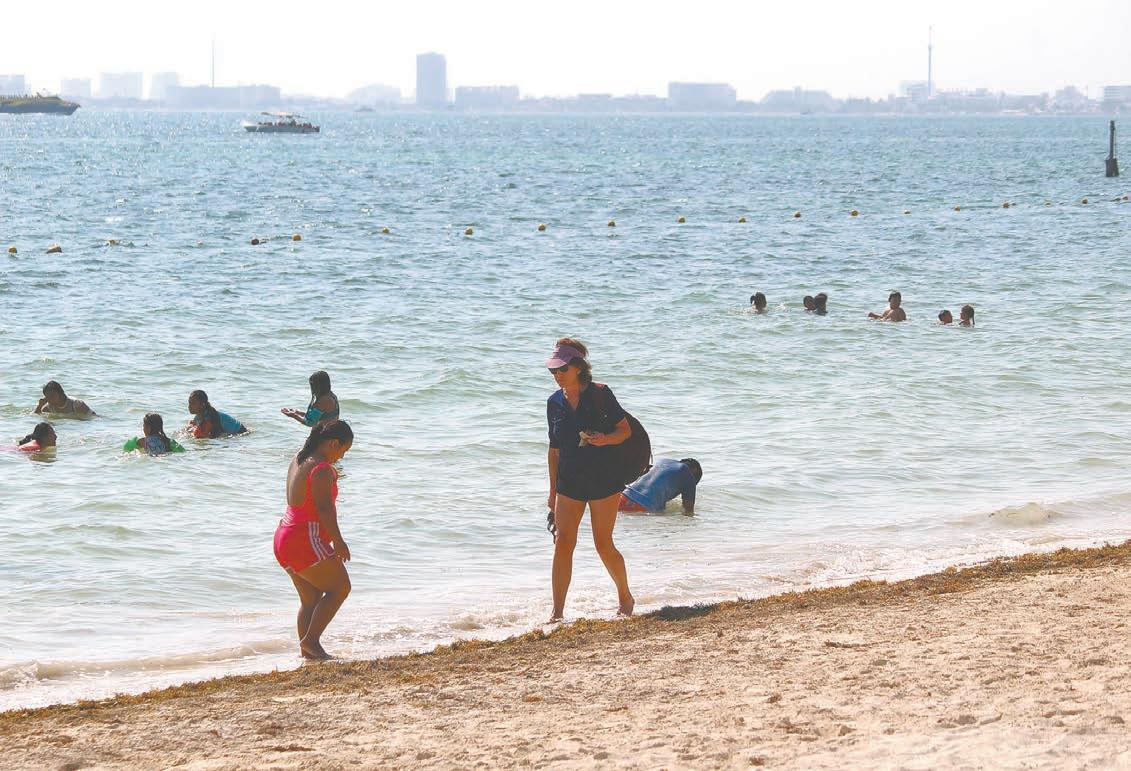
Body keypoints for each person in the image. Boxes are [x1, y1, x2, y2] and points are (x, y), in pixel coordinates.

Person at [545, 337, 634, 621]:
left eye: (563, 369)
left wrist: (605, 439)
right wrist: (552, 491)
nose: (558, 375)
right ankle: (557, 612)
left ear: (579, 367)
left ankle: (625, 597)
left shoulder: (600, 394)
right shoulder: (554, 403)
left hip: (603, 480)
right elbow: (554, 451)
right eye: (553, 370)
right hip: (569, 482)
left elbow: (625, 431)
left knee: (603, 544)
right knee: (563, 543)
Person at [274, 420, 354, 660]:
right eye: (343, 450)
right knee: (340, 588)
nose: (341, 457)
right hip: (303, 539)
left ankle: (307, 653)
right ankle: (311, 641)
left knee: (310, 599)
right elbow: (324, 509)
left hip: (284, 536)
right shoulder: (322, 469)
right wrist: (338, 541)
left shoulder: (299, 459)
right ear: (333, 443)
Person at [618, 458, 702, 514]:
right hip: (643, 507)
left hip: (622, 497)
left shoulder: (663, 461)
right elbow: (688, 512)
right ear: (694, 471)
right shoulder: (689, 475)